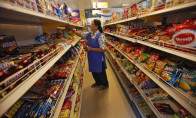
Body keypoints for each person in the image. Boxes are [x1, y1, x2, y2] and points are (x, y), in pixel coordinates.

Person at [72, 19, 109, 90]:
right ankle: (98, 82)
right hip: (91, 57)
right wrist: (72, 30)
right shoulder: (89, 34)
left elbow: (104, 49)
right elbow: (81, 34)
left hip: (98, 58)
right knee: (94, 71)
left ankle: (105, 84)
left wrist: (92, 49)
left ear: (96, 27)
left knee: (101, 72)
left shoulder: (101, 36)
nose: (90, 25)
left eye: (92, 24)